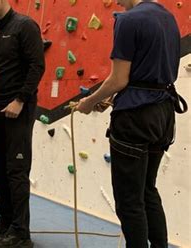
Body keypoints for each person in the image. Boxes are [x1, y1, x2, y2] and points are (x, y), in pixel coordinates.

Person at [75, 1, 184, 247]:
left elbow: (118, 78)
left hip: (135, 117)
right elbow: (144, 75)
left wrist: (90, 102)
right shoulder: (167, 18)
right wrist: (112, 98)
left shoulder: (127, 20)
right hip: (163, 114)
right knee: (147, 190)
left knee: (129, 200)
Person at [0, 0, 45, 247]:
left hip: (20, 107)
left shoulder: (25, 26)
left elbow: (37, 67)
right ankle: (5, 221)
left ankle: (20, 232)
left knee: (16, 171)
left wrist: (20, 100)